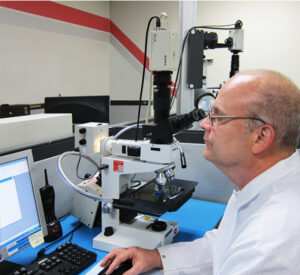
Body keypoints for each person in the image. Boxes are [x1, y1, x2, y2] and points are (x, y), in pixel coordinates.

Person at [100, 70, 300, 275]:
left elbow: (247, 250)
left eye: (218, 117)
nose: (204, 124)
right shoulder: (262, 185)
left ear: (261, 137)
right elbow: (225, 244)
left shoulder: (269, 247)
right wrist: (157, 257)